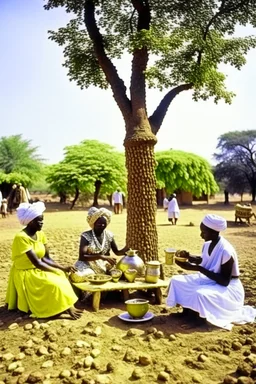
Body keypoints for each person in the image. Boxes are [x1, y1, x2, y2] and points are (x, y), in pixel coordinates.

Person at [166, 214, 256, 330]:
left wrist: (197, 268)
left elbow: (224, 281)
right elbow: (206, 260)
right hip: (211, 280)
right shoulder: (208, 243)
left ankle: (199, 320)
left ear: (214, 232)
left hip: (229, 289)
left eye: (204, 232)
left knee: (200, 293)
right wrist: (189, 257)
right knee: (176, 281)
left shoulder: (226, 251)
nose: (201, 235)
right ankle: (187, 313)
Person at [5, 201, 82, 319]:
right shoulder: (21, 238)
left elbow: (46, 258)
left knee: (61, 275)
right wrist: (54, 271)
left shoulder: (40, 234)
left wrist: (62, 268)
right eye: (39, 220)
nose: (42, 223)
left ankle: (64, 305)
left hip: (38, 268)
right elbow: (37, 262)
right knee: (53, 283)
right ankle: (66, 307)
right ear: (30, 222)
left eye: (42, 219)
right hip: (26, 272)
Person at [73, 207, 129, 278]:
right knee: (78, 276)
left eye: (104, 224)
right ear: (94, 224)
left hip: (104, 265)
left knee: (120, 275)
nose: (102, 226)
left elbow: (117, 252)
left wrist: (127, 248)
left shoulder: (109, 235)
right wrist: (101, 257)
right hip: (87, 265)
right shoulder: (86, 235)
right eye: (99, 224)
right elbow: (82, 257)